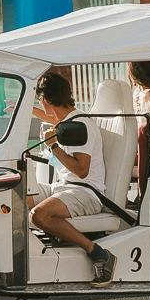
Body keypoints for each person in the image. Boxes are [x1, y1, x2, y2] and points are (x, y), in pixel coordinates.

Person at [29, 69, 118, 287]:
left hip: (86, 191)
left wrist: (53, 146)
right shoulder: (67, 120)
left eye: (40, 101)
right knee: (16, 193)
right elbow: (51, 116)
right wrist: (23, 109)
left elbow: (82, 170)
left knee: (38, 215)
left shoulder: (80, 126)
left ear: (46, 99)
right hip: (63, 187)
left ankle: (98, 253)